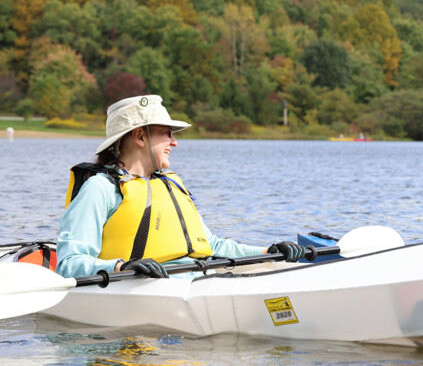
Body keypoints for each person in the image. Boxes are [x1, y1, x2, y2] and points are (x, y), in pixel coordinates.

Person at [57, 95, 305, 279]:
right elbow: (69, 263)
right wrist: (122, 267)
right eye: (167, 133)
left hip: (196, 281)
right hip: (139, 288)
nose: (174, 142)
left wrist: (268, 251)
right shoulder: (100, 189)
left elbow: (213, 246)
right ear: (140, 137)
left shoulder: (169, 184)